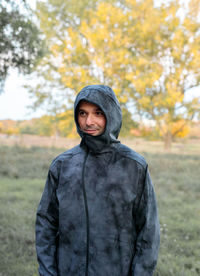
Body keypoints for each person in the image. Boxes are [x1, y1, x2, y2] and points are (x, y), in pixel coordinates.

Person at [35, 84, 160, 276]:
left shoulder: (134, 166)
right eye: (83, 113)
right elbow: (46, 223)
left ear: (111, 115)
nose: (88, 121)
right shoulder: (62, 165)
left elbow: (148, 233)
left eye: (98, 113)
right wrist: (48, 272)